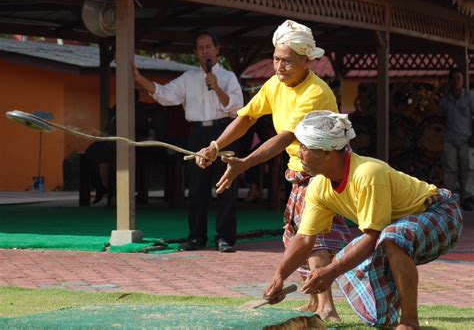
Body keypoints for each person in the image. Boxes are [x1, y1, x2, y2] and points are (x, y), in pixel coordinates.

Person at [196, 20, 351, 320]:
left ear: (307, 60)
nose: (280, 66)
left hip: (325, 169)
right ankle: (313, 301)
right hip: (300, 168)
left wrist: (244, 164)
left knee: (313, 235)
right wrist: (215, 146)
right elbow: (246, 117)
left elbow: (286, 137)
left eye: (288, 61)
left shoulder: (315, 93)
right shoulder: (274, 84)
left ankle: (328, 308)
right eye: (277, 59)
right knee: (295, 236)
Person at [263, 110, 463, 330]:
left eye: (305, 147)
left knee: (389, 238)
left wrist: (330, 272)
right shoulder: (318, 186)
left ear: (328, 152)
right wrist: (279, 276)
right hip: (398, 230)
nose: (299, 153)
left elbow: (373, 236)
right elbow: (304, 239)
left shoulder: (368, 174)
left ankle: (409, 322)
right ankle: (388, 316)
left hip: (442, 213)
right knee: (354, 257)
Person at [133, 30, 243, 253]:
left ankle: (225, 238)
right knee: (196, 189)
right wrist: (139, 79)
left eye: (208, 47)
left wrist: (217, 87)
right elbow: (165, 95)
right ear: (195, 53)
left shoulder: (228, 77)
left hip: (224, 131)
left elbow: (237, 108)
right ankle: (196, 237)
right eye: (200, 48)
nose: (205, 51)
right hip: (197, 133)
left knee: (226, 186)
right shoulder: (188, 78)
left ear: (217, 49)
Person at [84, 91, 151, 204]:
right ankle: (99, 187)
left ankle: (123, 195)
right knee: (88, 155)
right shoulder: (116, 109)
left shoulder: (138, 112)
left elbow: (144, 131)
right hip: (110, 143)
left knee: (122, 162)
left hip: (129, 146)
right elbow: (108, 129)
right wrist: (102, 134)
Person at [438, 67, 474, 210]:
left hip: (466, 138)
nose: (456, 81)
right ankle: (450, 197)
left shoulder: (470, 97)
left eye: (459, 78)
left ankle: (468, 197)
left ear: (462, 80)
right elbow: (440, 118)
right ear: (449, 80)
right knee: (450, 169)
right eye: (454, 78)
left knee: (467, 169)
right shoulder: (445, 101)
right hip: (449, 138)